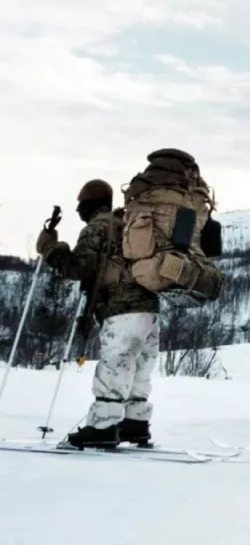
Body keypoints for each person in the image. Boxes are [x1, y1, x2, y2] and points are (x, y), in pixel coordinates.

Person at [35, 179, 161, 449]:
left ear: (87, 204)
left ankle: (103, 427)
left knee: (115, 364)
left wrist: (50, 249)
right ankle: (135, 423)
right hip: (150, 305)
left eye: (80, 204)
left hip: (120, 306)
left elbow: (79, 268)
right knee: (139, 367)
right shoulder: (127, 222)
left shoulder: (98, 226)